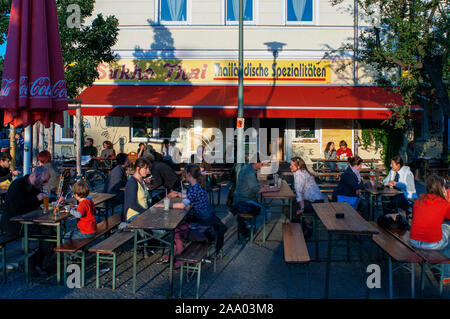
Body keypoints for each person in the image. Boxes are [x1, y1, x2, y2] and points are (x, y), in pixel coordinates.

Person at [155, 164, 227, 263]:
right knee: (179, 228)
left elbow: (182, 206)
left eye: (185, 173)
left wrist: (163, 205)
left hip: (203, 222)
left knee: (176, 231)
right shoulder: (198, 186)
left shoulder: (194, 188)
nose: (184, 175)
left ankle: (179, 256)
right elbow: (191, 196)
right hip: (207, 219)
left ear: (188, 174)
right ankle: (174, 255)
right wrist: (177, 194)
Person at [1, 166, 51, 274]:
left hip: (27, 221)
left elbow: (34, 204)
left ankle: (36, 263)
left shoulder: (35, 187)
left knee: (52, 232)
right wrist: (37, 199)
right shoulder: (18, 184)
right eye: (44, 181)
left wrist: (51, 200)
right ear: (37, 175)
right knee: (49, 233)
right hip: (14, 224)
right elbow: (17, 206)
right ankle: (35, 264)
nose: (44, 184)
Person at [410, 175, 450, 280]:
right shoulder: (443, 203)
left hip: (414, 241)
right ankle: (446, 274)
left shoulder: (419, 200)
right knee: (447, 228)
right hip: (431, 244)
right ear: (441, 188)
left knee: (441, 227)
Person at [233, 155, 278, 237]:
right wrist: (273, 189)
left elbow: (255, 186)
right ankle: (249, 226)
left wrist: (266, 187)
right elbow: (258, 190)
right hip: (245, 201)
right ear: (256, 163)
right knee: (267, 213)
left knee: (263, 207)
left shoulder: (247, 168)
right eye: (262, 163)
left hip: (241, 198)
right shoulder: (249, 172)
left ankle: (246, 222)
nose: (263, 165)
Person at [123, 157, 151, 223]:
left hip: (142, 213)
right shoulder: (132, 182)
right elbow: (132, 204)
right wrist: (147, 213)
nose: (148, 171)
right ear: (138, 168)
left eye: (148, 168)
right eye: (145, 168)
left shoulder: (142, 180)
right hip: (133, 216)